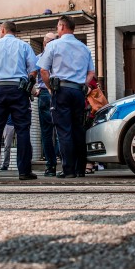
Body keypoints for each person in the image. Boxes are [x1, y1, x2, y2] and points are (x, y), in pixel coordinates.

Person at [38, 15, 95, 179]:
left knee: (64, 130)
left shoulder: (53, 45)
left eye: (57, 27)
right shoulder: (84, 48)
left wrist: (50, 88)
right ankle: (81, 169)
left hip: (61, 90)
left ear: (62, 27)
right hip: (78, 91)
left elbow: (43, 70)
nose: (57, 30)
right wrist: (83, 84)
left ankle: (68, 169)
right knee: (78, 129)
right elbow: (91, 72)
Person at [0, 21, 37, 181]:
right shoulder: (24, 46)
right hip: (19, 89)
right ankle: (24, 171)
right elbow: (33, 70)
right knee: (23, 130)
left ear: (2, 30)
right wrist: (29, 83)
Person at [34, 32, 58, 177]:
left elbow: (33, 74)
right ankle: (65, 163)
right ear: (46, 43)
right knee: (62, 129)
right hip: (56, 93)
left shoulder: (39, 58)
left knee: (46, 132)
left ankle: (51, 166)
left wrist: (36, 88)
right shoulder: (58, 58)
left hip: (44, 93)